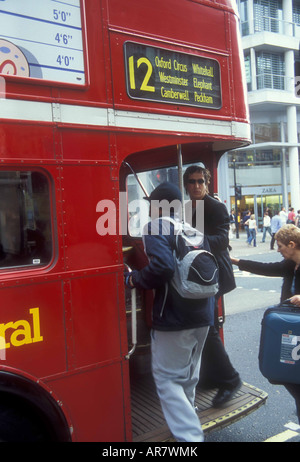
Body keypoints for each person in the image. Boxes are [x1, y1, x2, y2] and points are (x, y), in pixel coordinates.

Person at [124, 181, 214, 442]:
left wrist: (134, 280)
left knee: (167, 379)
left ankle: (189, 440)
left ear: (157, 205)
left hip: (175, 316)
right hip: (203, 313)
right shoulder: (193, 228)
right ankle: (188, 422)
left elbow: (162, 267)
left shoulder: (155, 227)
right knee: (188, 376)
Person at [183, 165, 241, 408]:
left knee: (206, 327)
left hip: (213, 275)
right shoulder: (185, 208)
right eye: (192, 182)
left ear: (207, 184)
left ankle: (230, 380)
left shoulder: (216, 206)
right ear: (186, 185)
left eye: (200, 181)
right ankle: (210, 376)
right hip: (196, 275)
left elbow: (223, 239)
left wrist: (196, 242)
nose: (196, 186)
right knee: (203, 327)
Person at [230, 224, 300, 423]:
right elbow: (266, 268)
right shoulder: (290, 264)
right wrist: (236, 261)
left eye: (280, 246)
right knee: (288, 373)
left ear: (292, 244)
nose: (277, 250)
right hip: (292, 330)